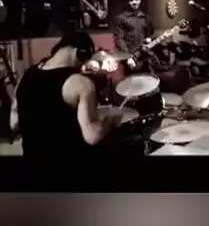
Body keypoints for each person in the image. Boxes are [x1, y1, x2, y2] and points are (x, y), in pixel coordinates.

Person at [9, 31, 123, 162]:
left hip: (31, 165)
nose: (83, 66)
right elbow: (92, 136)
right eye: (85, 60)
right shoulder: (81, 83)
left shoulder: (25, 77)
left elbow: (14, 123)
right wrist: (111, 121)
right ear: (78, 53)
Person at [113, 0, 154, 72]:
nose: (134, 2)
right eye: (131, 0)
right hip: (131, 57)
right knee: (131, 78)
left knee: (147, 78)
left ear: (140, 1)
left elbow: (150, 33)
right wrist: (128, 57)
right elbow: (119, 39)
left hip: (144, 55)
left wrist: (149, 39)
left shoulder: (145, 17)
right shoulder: (121, 18)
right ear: (127, 2)